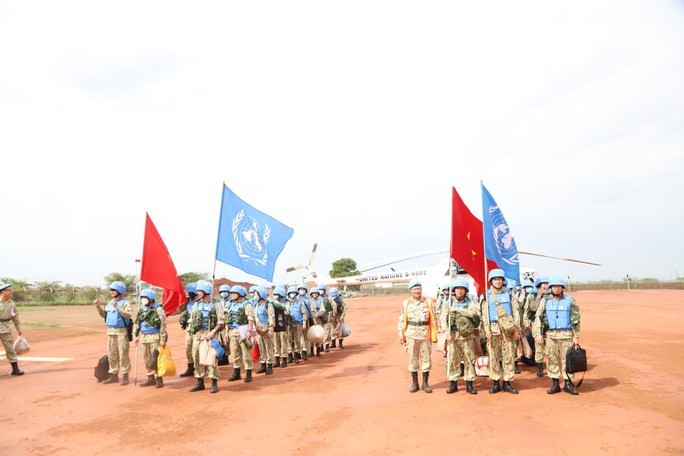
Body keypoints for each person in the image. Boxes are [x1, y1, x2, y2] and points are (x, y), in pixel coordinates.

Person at [533, 277, 581, 395]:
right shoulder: (545, 301)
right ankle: (555, 384)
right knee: (552, 359)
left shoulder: (570, 300)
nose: (556, 289)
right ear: (551, 288)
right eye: (554, 287)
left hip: (566, 335)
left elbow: (576, 319)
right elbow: (538, 318)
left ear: (562, 288)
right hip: (550, 336)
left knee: (567, 360)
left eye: (559, 287)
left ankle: (568, 384)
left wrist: (576, 336)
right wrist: (537, 334)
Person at [482, 269, 520, 394]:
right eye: (495, 279)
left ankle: (507, 382)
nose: (497, 281)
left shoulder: (509, 295)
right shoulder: (486, 296)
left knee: (508, 356)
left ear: (503, 281)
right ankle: (495, 382)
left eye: (499, 279)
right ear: (491, 281)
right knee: (494, 357)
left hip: (508, 331)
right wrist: (486, 330)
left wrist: (516, 330)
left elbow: (515, 313)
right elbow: (484, 315)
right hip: (493, 329)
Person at [397, 279, 437, 393]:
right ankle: (415, 383)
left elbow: (433, 317)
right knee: (413, 358)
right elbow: (401, 319)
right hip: (411, 334)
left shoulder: (428, 302)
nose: (417, 291)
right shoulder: (406, 303)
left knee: (426, 358)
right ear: (411, 291)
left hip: (425, 334)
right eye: (414, 289)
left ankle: (425, 383)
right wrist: (401, 333)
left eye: (418, 289)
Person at [443, 278, 479, 394]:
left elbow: (472, 313)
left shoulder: (470, 302)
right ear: (454, 290)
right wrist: (446, 332)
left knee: (469, 359)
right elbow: (443, 318)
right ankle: (453, 383)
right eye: (457, 289)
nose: (459, 291)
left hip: (466, 335)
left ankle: (469, 383)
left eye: (462, 289)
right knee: (453, 358)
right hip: (453, 334)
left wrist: (457, 310)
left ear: (466, 290)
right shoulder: (448, 302)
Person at [188, 280, 225, 393]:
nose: (198, 293)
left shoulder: (215, 305)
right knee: (196, 357)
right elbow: (192, 320)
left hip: (210, 335)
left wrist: (213, 332)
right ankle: (200, 381)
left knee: (211, 358)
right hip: (198, 335)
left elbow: (221, 321)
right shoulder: (197, 304)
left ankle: (214, 382)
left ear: (206, 291)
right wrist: (190, 334)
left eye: (200, 291)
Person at [94, 281, 133, 385]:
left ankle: (125, 375)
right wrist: (98, 307)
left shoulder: (125, 303)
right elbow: (105, 315)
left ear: (120, 291)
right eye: (111, 290)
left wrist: (117, 307)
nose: (111, 292)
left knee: (123, 354)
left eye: (113, 290)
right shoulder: (110, 303)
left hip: (121, 332)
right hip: (111, 332)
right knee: (112, 354)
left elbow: (128, 314)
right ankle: (113, 375)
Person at [133, 288, 168, 388]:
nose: (143, 299)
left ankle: (158, 378)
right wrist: (135, 335)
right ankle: (150, 378)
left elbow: (163, 324)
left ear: (151, 298)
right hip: (144, 337)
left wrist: (163, 339)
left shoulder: (158, 309)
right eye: (142, 297)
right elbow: (137, 323)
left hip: (155, 337)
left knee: (155, 358)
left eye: (145, 297)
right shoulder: (142, 310)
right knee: (147, 358)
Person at [225, 285, 256, 382]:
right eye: (232, 293)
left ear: (240, 294)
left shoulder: (247, 304)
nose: (233, 295)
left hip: (243, 331)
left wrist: (250, 332)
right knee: (235, 353)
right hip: (232, 331)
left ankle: (248, 373)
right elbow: (227, 319)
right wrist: (226, 333)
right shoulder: (230, 304)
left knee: (246, 354)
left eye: (235, 293)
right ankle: (236, 373)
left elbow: (250, 318)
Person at [525, 276, 549, 377]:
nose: (545, 288)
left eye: (546, 286)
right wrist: (539, 297)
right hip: (536, 323)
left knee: (548, 345)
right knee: (538, 345)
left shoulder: (550, 297)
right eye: (543, 286)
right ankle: (539, 367)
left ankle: (550, 365)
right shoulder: (531, 297)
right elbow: (529, 309)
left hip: (548, 324)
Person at [0, 283, 24, 376]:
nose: (11, 292)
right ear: (3, 292)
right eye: (9, 290)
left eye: (11, 290)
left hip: (6, 328)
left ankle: (15, 369)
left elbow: (15, 317)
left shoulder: (12, 304)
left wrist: (18, 328)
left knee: (10, 349)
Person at [253, 286, 275, 375]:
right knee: (261, 347)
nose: (254, 296)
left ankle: (269, 365)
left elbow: (271, 317)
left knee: (268, 347)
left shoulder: (268, 305)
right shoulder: (256, 305)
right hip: (259, 331)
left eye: (256, 294)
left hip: (266, 329)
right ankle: (263, 364)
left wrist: (271, 329)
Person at [177, 282, 197, 377]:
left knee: (198, 349)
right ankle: (190, 368)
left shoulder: (202, 303)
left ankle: (203, 367)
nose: (189, 295)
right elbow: (178, 310)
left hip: (199, 328)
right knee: (188, 348)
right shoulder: (187, 302)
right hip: (189, 328)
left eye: (190, 293)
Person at [286, 286, 307, 364]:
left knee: (297, 340)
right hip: (289, 325)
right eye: (291, 293)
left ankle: (296, 355)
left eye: (294, 293)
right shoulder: (287, 303)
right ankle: (289, 355)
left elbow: (304, 313)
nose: (292, 294)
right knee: (289, 339)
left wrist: (304, 323)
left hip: (298, 324)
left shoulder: (300, 302)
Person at [271, 286, 289, 368]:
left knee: (283, 343)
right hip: (275, 327)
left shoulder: (286, 303)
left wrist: (280, 305)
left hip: (283, 327)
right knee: (276, 343)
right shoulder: (271, 304)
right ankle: (277, 360)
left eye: (277, 295)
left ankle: (284, 360)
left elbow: (287, 311)